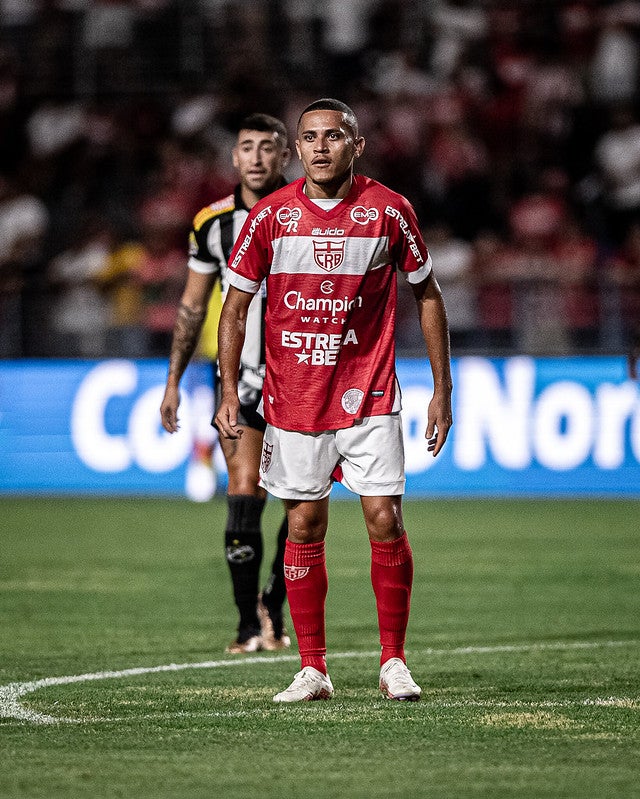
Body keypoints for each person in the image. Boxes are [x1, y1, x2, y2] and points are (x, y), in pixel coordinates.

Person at [215, 98, 452, 702]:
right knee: (303, 522)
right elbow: (235, 307)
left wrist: (442, 390)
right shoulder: (269, 218)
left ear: (357, 145)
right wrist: (225, 393)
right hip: (293, 398)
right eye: (310, 138)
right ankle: (312, 668)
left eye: (334, 136)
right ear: (298, 149)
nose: (320, 147)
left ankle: (393, 661)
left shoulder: (389, 210)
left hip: (369, 391)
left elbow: (427, 295)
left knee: (384, 518)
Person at [160, 113, 292, 654]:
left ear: (285, 157)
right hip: (242, 381)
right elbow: (193, 307)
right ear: (234, 158)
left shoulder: (311, 215)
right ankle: (246, 623)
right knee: (243, 491)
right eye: (247, 147)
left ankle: (275, 606)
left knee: (302, 505)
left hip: (308, 377)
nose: (257, 157)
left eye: (268, 148)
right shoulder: (211, 223)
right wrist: (173, 381)